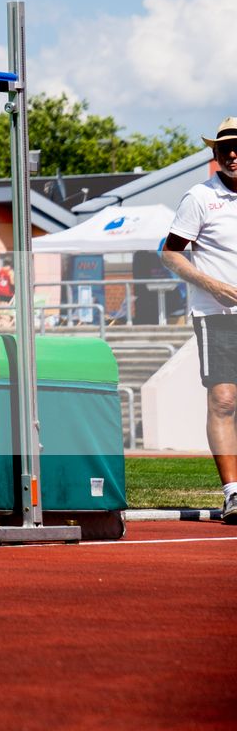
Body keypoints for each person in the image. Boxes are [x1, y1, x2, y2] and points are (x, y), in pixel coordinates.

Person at [160, 116, 237, 524]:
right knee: (224, 399)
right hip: (217, 313)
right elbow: (170, 253)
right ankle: (233, 494)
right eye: (225, 148)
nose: (233, 154)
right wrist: (214, 285)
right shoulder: (199, 197)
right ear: (214, 154)